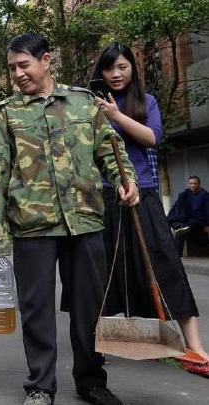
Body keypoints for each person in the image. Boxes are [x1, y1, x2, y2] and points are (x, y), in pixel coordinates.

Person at [0, 33, 139, 405]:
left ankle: (91, 381)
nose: (17, 74)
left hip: (84, 220)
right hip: (31, 225)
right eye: (11, 69)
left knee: (89, 306)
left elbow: (111, 151)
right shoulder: (7, 113)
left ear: (46, 60)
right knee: (36, 309)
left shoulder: (84, 104)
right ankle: (40, 386)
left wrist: (126, 182)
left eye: (24, 65)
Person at [92, 42, 208, 362]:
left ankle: (194, 345)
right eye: (109, 68)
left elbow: (152, 137)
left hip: (143, 194)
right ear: (100, 71)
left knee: (166, 266)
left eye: (122, 67)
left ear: (133, 68)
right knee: (103, 271)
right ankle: (97, 342)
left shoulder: (147, 101)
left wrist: (117, 115)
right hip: (105, 197)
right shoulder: (91, 105)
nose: (115, 74)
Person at [168, 175, 209, 256]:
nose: (192, 185)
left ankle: (183, 227)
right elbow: (178, 206)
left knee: (183, 229)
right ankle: (177, 256)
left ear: (199, 184)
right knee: (179, 229)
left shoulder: (204, 194)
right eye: (190, 184)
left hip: (199, 219)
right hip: (186, 218)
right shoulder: (185, 193)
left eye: (194, 183)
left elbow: (207, 210)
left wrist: (208, 224)